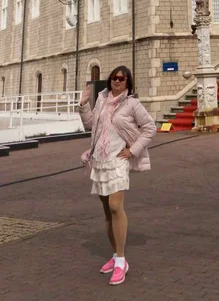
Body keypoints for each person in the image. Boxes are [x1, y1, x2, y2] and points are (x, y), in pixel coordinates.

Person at [78, 65, 156, 285]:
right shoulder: (102, 99)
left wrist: (133, 150)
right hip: (100, 160)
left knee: (115, 206)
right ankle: (114, 255)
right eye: (113, 78)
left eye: (121, 78)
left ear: (128, 82)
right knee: (107, 212)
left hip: (118, 160)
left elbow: (150, 127)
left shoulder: (132, 104)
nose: (117, 81)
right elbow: (90, 125)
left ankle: (122, 261)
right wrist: (84, 105)